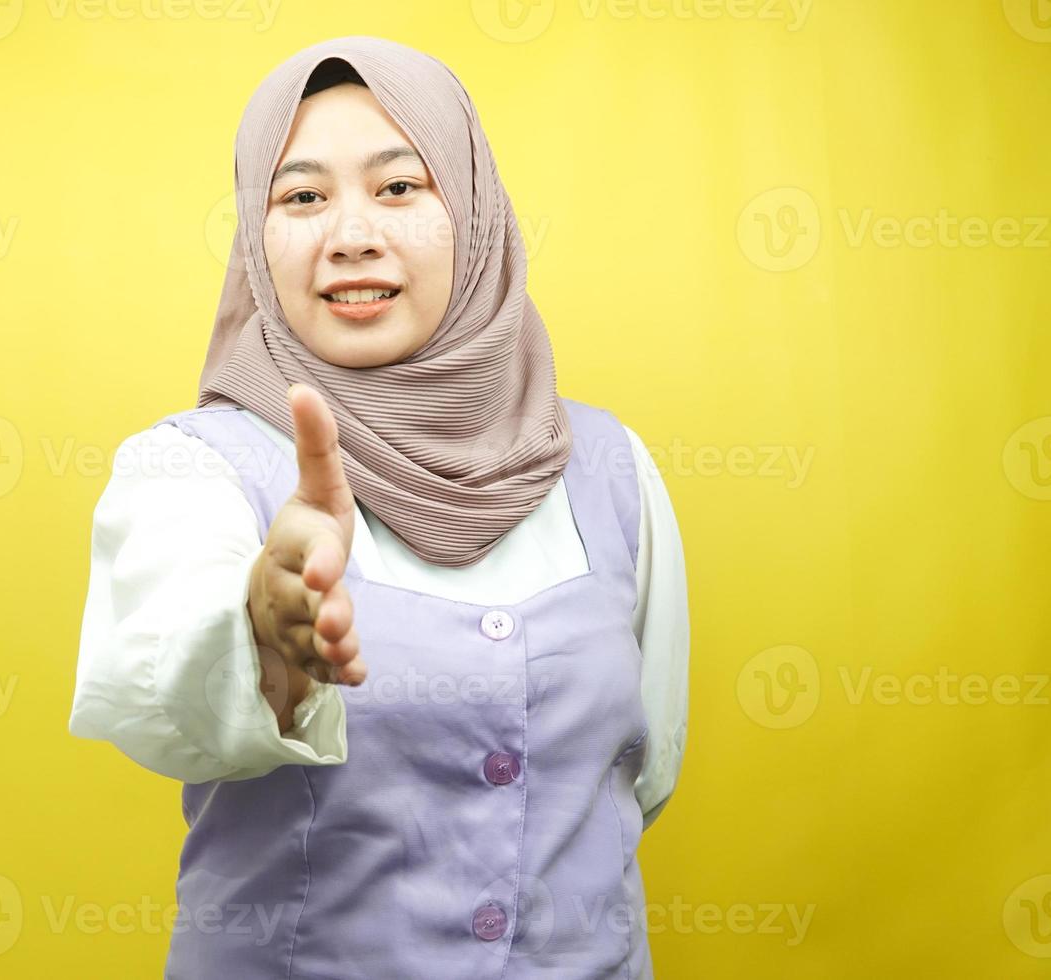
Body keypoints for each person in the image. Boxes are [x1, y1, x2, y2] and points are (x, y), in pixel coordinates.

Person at [68, 35, 689, 978]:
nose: (351, 232)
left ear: (474, 212)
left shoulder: (609, 467)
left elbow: (641, 770)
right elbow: (166, 710)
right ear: (254, 235)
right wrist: (267, 645)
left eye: (400, 187)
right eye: (302, 196)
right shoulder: (191, 472)